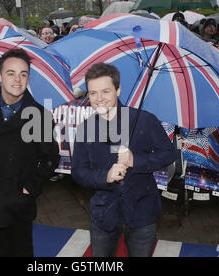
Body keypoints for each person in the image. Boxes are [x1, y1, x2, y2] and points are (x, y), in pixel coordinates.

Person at [0, 48, 60, 257]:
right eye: (11, 73)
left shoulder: (38, 115)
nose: (17, 79)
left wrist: (30, 188)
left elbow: (51, 157)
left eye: (23, 74)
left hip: (19, 204)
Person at [71, 63, 176, 257]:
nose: (99, 99)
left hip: (142, 212)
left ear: (118, 90)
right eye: (93, 93)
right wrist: (106, 177)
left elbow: (168, 154)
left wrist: (136, 160)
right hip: (103, 214)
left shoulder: (144, 120)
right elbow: (78, 171)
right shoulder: (85, 129)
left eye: (105, 91)